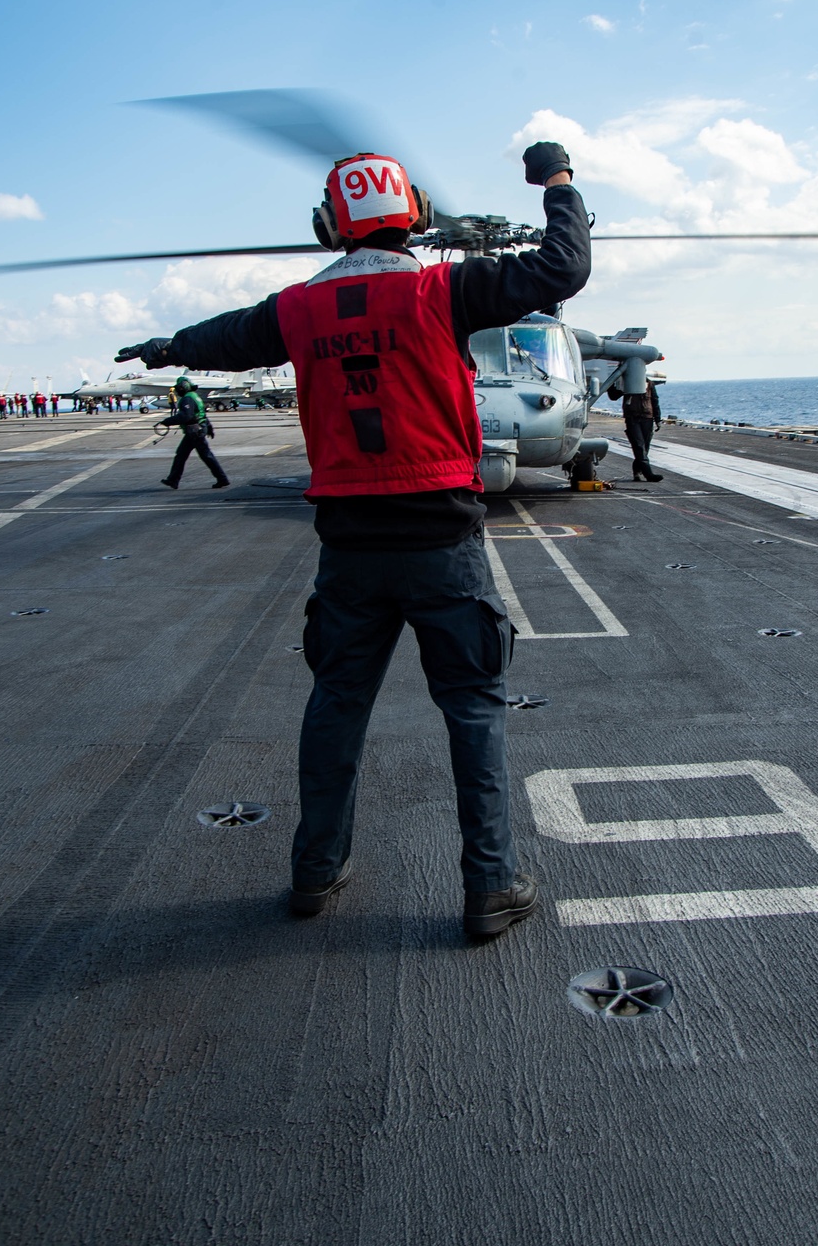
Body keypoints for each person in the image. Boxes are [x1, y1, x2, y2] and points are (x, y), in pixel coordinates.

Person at [116, 141, 590, 937]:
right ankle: (490, 884)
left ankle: (316, 868)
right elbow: (562, 268)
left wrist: (167, 346)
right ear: (415, 217)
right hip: (443, 538)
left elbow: (227, 337)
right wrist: (557, 182)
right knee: (473, 709)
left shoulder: (297, 310)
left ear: (328, 226)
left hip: (349, 546)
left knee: (336, 703)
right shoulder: (446, 287)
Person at [158, 377, 230, 490]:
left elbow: (187, 416)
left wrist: (168, 421)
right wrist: (209, 428)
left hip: (195, 432)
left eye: (179, 388)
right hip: (198, 430)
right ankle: (173, 480)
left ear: (183, 387)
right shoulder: (195, 397)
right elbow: (201, 414)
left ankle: (222, 479)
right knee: (184, 455)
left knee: (203, 456)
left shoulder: (188, 399)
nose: (178, 390)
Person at [609, 375, 663, 482]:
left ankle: (637, 471)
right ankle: (648, 474)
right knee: (639, 446)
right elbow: (613, 396)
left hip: (647, 417)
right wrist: (614, 383)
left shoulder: (650, 384)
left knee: (644, 448)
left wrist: (658, 419)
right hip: (632, 418)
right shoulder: (627, 382)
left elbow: (655, 401)